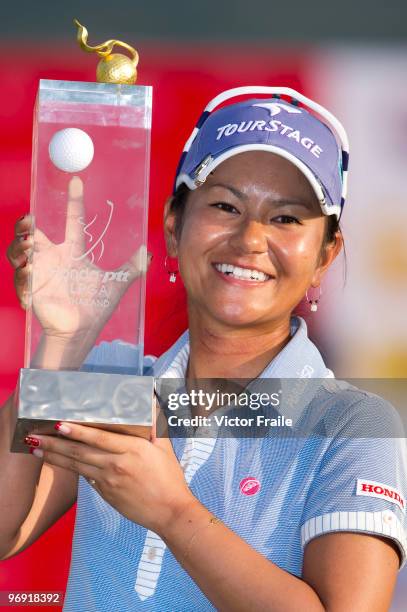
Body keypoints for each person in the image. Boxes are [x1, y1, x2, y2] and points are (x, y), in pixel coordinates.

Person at [1, 86, 406, 611]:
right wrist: (61, 344)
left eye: (286, 218)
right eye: (224, 205)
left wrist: (172, 511)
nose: (251, 238)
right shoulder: (115, 388)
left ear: (326, 255)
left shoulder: (354, 423)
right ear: (174, 227)